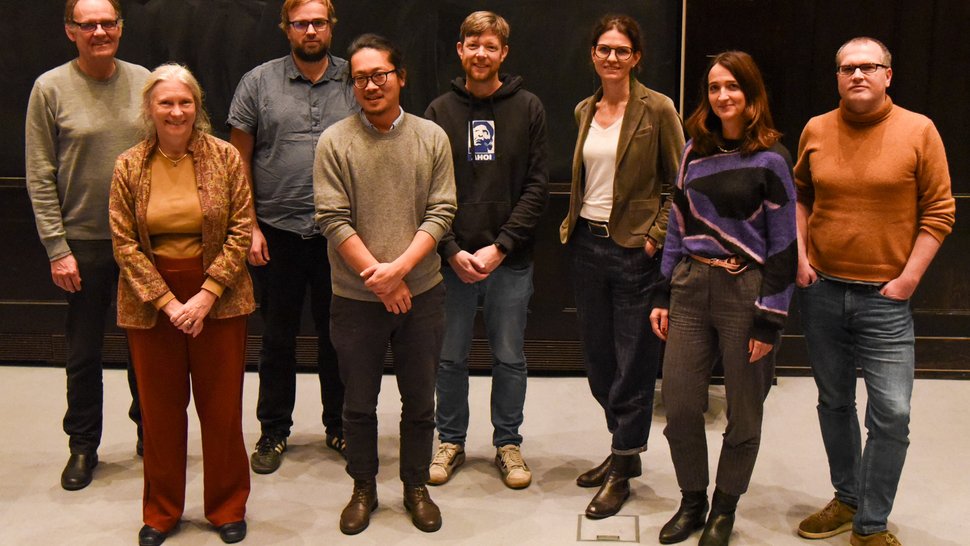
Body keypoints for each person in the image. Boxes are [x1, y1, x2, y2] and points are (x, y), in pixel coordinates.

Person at [794, 37, 954, 546]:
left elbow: (940, 212)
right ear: (837, 77)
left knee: (893, 413)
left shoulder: (919, 130)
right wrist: (800, 258)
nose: (857, 74)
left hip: (885, 299)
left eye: (869, 66)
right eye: (847, 68)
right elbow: (798, 196)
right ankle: (848, 499)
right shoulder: (817, 129)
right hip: (822, 292)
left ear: (889, 75)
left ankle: (871, 525)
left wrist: (906, 280)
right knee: (834, 403)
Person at [649, 51, 796, 546]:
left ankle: (723, 508)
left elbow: (783, 246)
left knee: (744, 412)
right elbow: (677, 224)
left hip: (746, 291)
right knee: (683, 407)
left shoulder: (772, 160)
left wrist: (769, 320)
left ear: (751, 95)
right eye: (714, 87)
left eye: (733, 86)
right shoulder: (693, 151)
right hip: (691, 286)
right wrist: (663, 291)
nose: (722, 95)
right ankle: (692, 501)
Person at [314, 34, 456, 535]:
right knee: (358, 403)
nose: (371, 85)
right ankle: (364, 488)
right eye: (360, 78)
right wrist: (380, 280)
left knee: (420, 401)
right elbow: (332, 218)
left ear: (401, 77)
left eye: (380, 75)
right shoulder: (335, 141)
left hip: (422, 294)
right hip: (356, 299)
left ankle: (415, 487)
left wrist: (398, 273)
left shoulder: (430, 138)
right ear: (352, 84)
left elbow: (441, 212)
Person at [109, 64, 254, 546]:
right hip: (153, 304)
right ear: (149, 109)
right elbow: (124, 243)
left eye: (185, 102)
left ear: (198, 107)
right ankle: (161, 511)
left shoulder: (226, 157)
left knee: (221, 409)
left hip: (220, 298)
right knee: (160, 411)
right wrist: (171, 303)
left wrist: (207, 294)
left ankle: (227, 506)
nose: (176, 111)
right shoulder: (129, 164)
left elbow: (240, 228)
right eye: (165, 103)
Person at [559, 14, 684, 519]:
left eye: (621, 50)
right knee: (599, 364)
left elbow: (679, 185)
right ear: (593, 54)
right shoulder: (583, 110)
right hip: (586, 248)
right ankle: (622, 453)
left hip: (635, 252)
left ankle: (623, 463)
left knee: (633, 366)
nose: (611, 57)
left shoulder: (658, 109)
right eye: (603, 49)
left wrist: (655, 239)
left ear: (636, 57)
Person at [227, 0, 355, 475]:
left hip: (339, 237)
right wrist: (249, 227)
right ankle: (274, 430)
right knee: (277, 340)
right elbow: (237, 161)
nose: (310, 30)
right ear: (286, 29)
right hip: (275, 234)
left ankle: (339, 424)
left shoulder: (354, 78)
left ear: (330, 26)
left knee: (336, 338)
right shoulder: (258, 82)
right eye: (300, 23)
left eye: (318, 22)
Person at [424, 10, 549, 490]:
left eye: (490, 46)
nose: (481, 53)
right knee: (450, 357)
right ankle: (450, 440)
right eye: (473, 44)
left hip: (509, 261)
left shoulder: (529, 107)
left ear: (504, 53)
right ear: (460, 50)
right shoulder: (438, 112)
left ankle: (507, 444)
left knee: (509, 357)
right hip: (451, 262)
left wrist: (500, 247)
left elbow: (537, 188)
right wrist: (452, 248)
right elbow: (429, 189)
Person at [25, 0, 147, 491]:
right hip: (83, 243)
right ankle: (83, 446)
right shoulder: (49, 88)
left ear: (120, 27)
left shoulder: (145, 82)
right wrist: (57, 248)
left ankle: (153, 433)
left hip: (143, 244)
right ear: (70, 31)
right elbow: (39, 173)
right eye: (88, 24)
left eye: (108, 23)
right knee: (83, 352)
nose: (100, 31)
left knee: (148, 349)